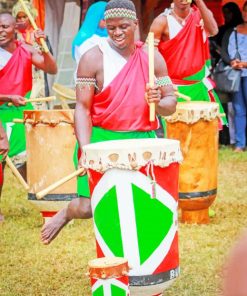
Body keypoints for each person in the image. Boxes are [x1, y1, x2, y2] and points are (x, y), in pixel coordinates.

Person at [41, 0, 177, 244]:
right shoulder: (92, 58)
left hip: (141, 140)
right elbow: (82, 108)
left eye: (123, 26)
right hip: (102, 140)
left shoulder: (152, 58)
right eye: (111, 27)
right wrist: (86, 149)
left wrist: (158, 101)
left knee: (141, 204)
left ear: (135, 24)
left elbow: (170, 105)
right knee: (87, 207)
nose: (117, 33)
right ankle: (65, 214)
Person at [0, 13, 57, 222]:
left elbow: (51, 68)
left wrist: (43, 47)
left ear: (15, 27)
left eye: (5, 26)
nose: (0, 31)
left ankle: (43, 201)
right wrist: (7, 97)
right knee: (0, 162)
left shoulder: (26, 49)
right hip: (1, 111)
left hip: (23, 110)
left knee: (30, 160)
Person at [149, 0, 226, 125]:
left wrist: (199, 2)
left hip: (199, 87)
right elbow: (150, 54)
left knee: (202, 138)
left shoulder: (200, 15)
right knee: (177, 138)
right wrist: (162, 84)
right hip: (173, 90)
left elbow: (213, 31)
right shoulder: (162, 21)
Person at [211, 2, 243, 147]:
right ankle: (237, 142)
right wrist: (230, 61)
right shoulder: (227, 30)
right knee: (235, 109)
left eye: (229, 12)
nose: (226, 16)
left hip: (239, 70)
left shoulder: (233, 29)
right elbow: (222, 50)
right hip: (232, 73)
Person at [12, 1, 53, 100]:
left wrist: (42, 43)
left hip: (39, 79)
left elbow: (49, 58)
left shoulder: (40, 36)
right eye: (19, 17)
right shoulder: (13, 37)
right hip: (20, 79)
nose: (22, 20)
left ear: (31, 17)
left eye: (24, 17)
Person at [227, 1, 247, 152]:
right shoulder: (235, 31)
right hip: (237, 76)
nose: (246, 14)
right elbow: (231, 50)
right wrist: (234, 61)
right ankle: (240, 143)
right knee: (238, 109)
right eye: (245, 11)